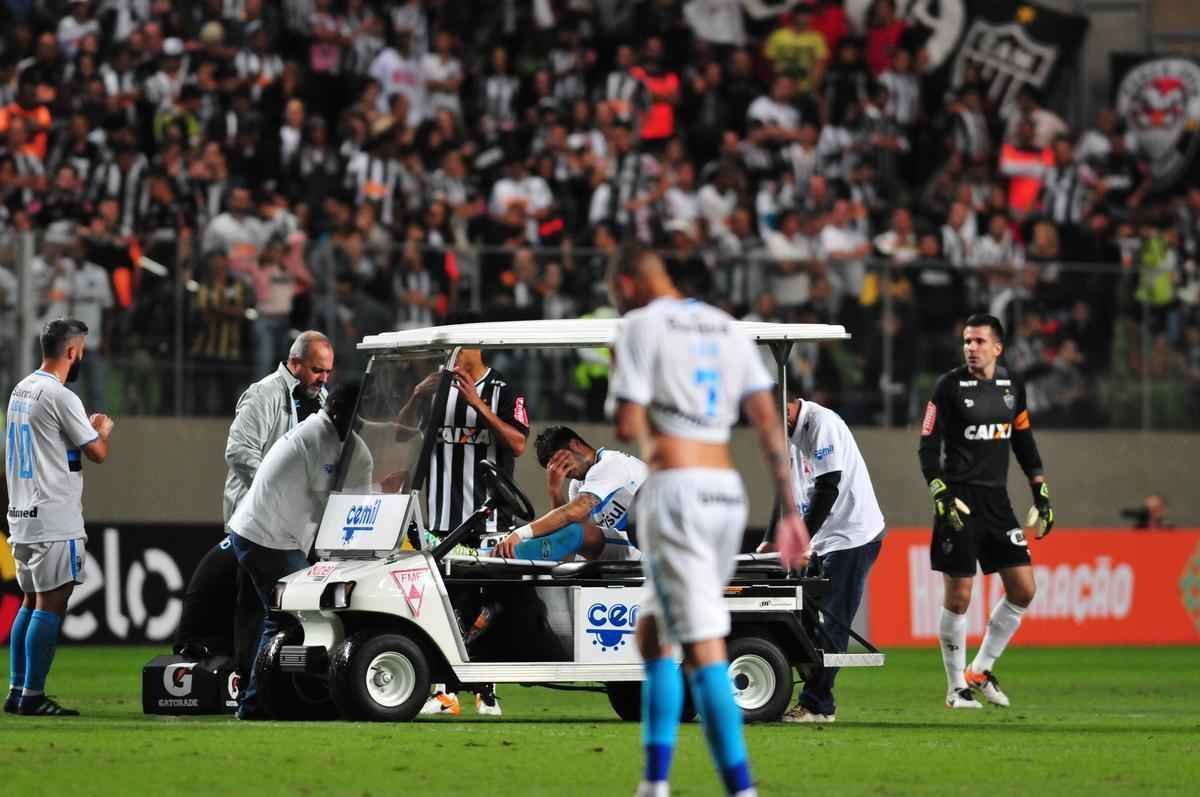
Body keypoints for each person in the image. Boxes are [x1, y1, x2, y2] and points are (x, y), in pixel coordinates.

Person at [607, 249, 809, 797]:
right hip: (726, 493)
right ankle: (654, 783)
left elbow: (627, 424)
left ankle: (741, 789)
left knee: (701, 647)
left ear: (631, 279)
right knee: (653, 633)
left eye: (614, 287)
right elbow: (768, 420)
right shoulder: (726, 328)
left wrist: (628, 389)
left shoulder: (641, 327)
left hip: (677, 493)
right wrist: (791, 511)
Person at [172, 331, 332, 694]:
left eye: (328, 371)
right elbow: (239, 452)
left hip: (297, 526)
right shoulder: (264, 395)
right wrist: (277, 491)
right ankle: (253, 684)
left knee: (280, 607)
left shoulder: (320, 401)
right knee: (256, 608)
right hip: (257, 522)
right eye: (317, 370)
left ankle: (283, 681)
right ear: (295, 364)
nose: (324, 379)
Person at [918, 314, 1055, 710]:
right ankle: (955, 687)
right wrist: (939, 492)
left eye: (979, 341)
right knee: (959, 597)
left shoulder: (1012, 386)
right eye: (967, 341)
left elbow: (1023, 439)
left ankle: (980, 670)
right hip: (958, 500)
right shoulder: (948, 386)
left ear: (998, 347)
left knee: (1024, 589)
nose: (971, 348)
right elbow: (927, 444)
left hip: (997, 502)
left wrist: (1040, 488)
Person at [228, 381, 372, 720]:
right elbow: (337, 510)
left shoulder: (338, 440)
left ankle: (264, 700)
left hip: (262, 534)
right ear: (338, 411)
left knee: (280, 618)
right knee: (293, 615)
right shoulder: (318, 439)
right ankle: (258, 703)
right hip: (268, 538)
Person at [413, 345, 530, 718]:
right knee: (441, 603)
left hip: (488, 520)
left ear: (472, 348)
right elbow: (404, 439)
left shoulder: (504, 391)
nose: (448, 354)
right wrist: (416, 396)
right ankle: (445, 692)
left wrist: (478, 405)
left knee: (486, 602)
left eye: (453, 346)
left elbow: (518, 443)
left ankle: (486, 687)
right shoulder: (437, 390)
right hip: (442, 522)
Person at [5, 319, 114, 716]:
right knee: (51, 603)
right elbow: (97, 452)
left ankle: (17, 691)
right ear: (72, 351)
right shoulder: (60, 395)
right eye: (82, 349)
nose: (82, 356)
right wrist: (103, 428)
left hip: (21, 513)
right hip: (54, 516)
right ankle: (32, 695)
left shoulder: (22, 389)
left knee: (30, 602)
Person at [759, 397, 886, 723]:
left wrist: (800, 537)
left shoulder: (822, 425)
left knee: (831, 622)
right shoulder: (790, 433)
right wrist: (770, 537)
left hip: (851, 536)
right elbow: (784, 489)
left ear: (787, 409)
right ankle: (815, 693)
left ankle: (817, 704)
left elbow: (829, 487)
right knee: (801, 620)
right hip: (822, 539)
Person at [492, 425, 646, 562]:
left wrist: (521, 534)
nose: (563, 472)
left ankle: (492, 556)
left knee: (573, 534)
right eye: (554, 468)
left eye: (561, 461)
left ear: (575, 444)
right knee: (568, 538)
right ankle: (502, 554)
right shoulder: (577, 485)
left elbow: (574, 517)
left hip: (649, 541)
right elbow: (565, 530)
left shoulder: (611, 463)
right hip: (626, 545)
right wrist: (554, 490)